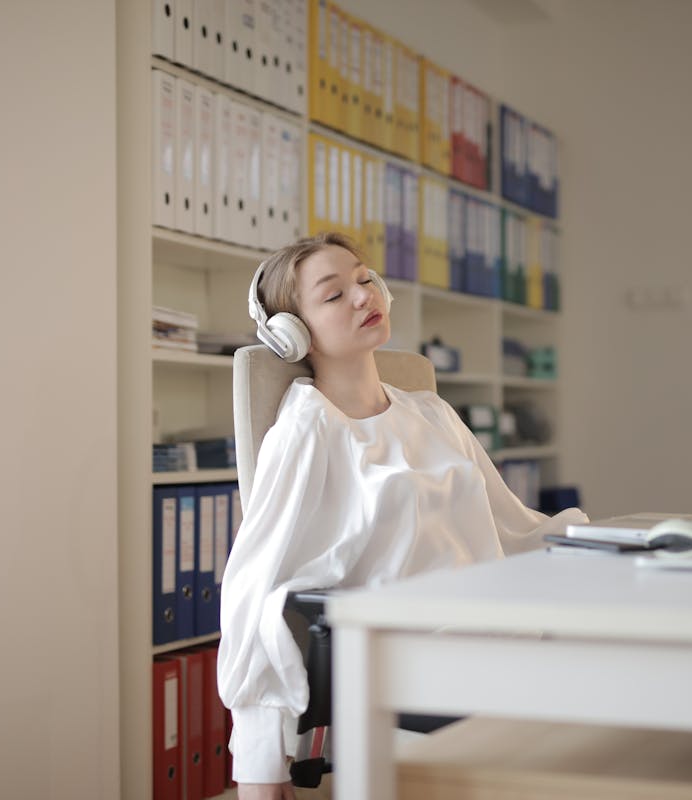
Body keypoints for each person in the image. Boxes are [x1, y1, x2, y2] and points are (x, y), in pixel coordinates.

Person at [217, 232, 588, 799]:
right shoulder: (309, 429)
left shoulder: (431, 412)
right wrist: (259, 762)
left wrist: (625, 543)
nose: (364, 297)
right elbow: (255, 589)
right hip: (421, 660)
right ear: (293, 334)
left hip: (495, 638)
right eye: (334, 294)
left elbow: (513, 528)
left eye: (365, 280)